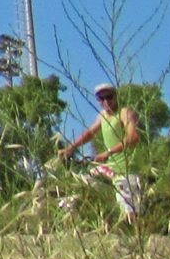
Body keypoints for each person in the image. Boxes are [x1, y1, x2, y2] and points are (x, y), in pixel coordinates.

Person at [63, 83, 146, 221]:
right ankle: (72, 224)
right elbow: (90, 133)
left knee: (129, 210)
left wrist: (108, 153)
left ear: (116, 96)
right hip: (109, 169)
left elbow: (133, 137)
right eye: (101, 99)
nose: (106, 102)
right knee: (79, 186)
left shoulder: (125, 113)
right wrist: (71, 147)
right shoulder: (102, 116)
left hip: (126, 169)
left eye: (109, 97)